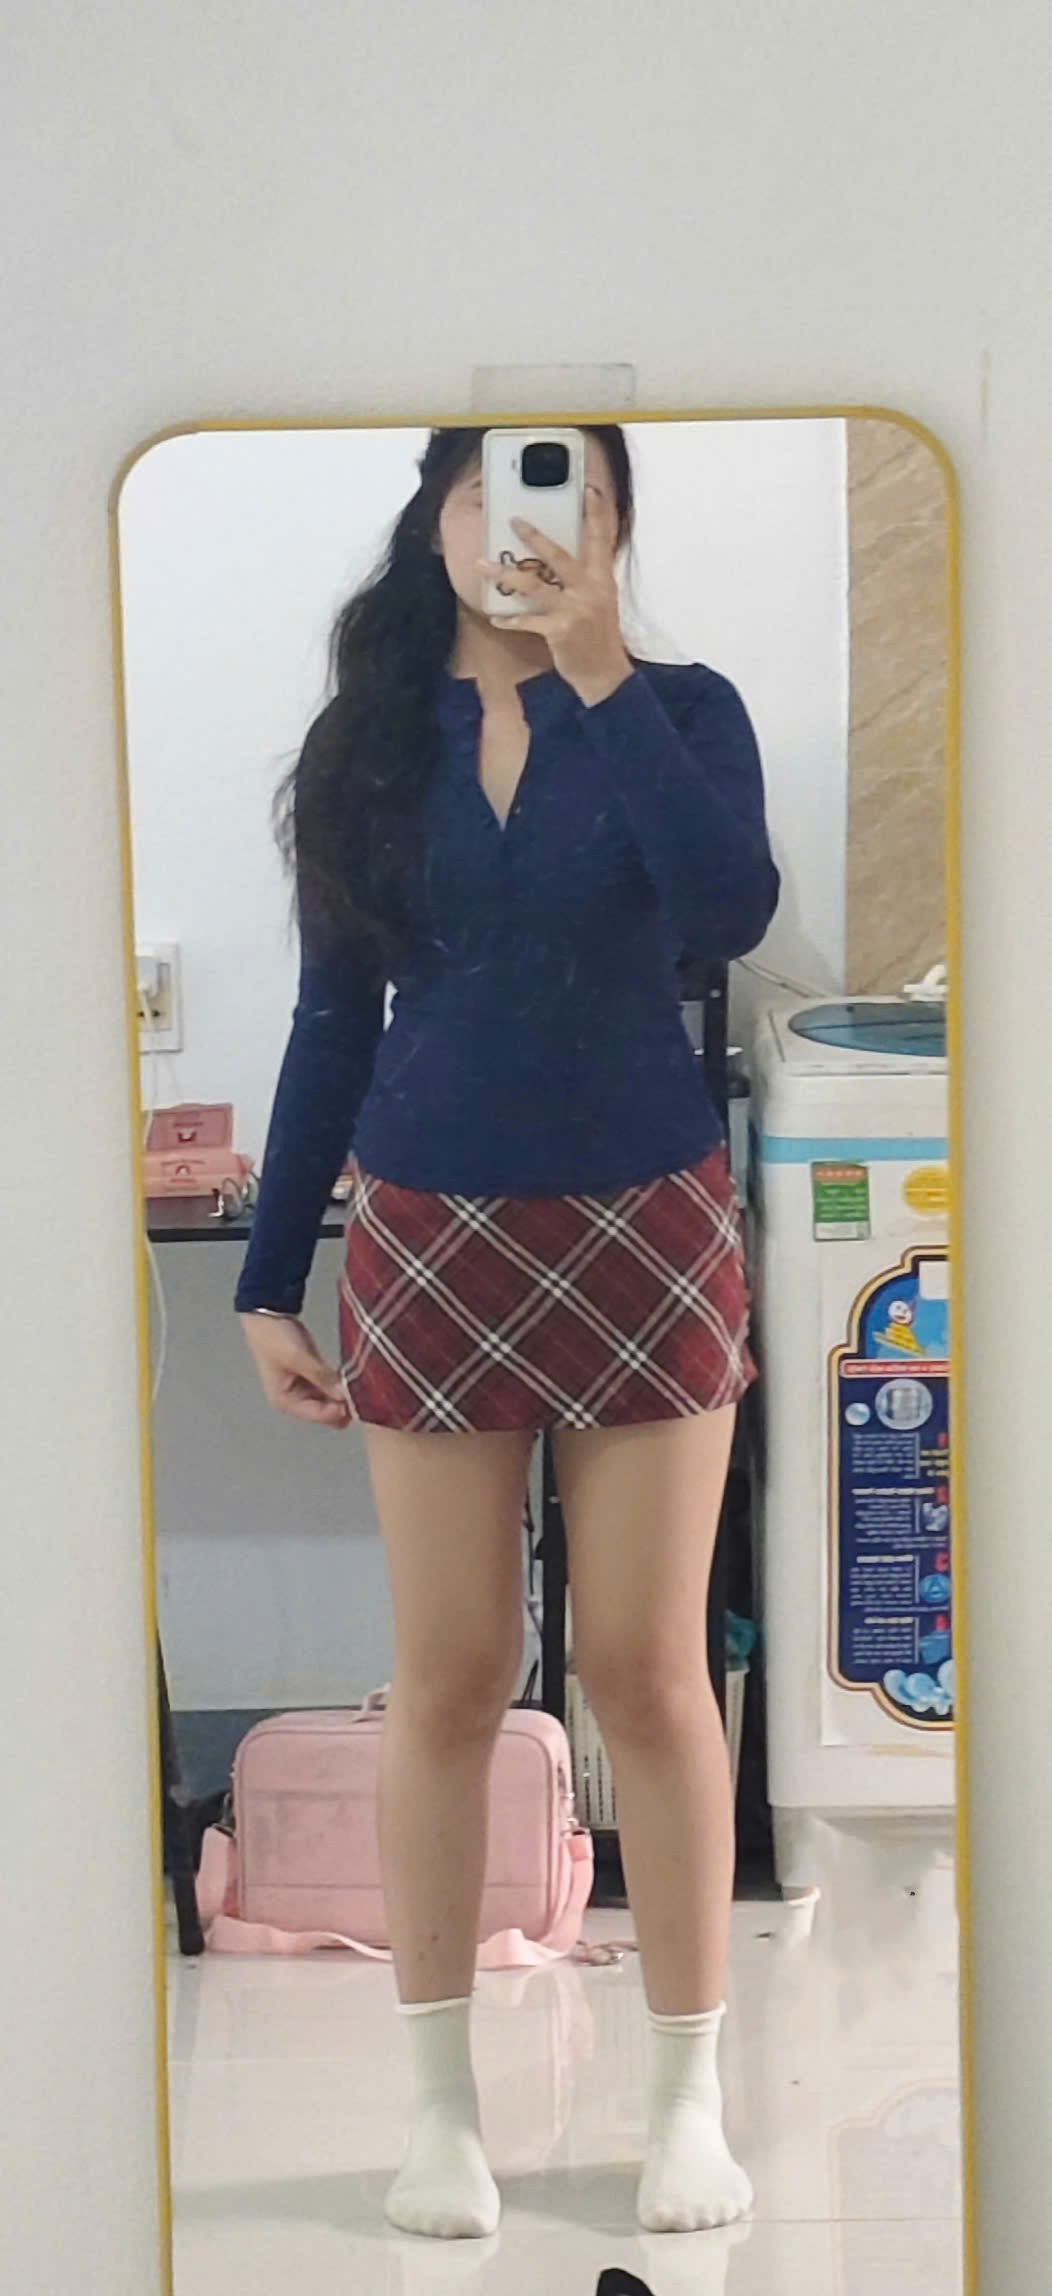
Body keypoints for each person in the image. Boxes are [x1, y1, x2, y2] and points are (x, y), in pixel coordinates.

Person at [234, 425, 780, 2240]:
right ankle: (441, 2115)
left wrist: (599, 671)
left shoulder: (682, 710)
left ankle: (687, 2101)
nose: (529, 525)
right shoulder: (368, 742)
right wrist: (265, 1281)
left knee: (646, 1668)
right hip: (427, 1231)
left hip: (652, 1222)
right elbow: (333, 1019)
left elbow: (728, 914)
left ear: (613, 531)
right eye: (492, 489)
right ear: (435, 517)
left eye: (575, 498)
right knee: (453, 1673)